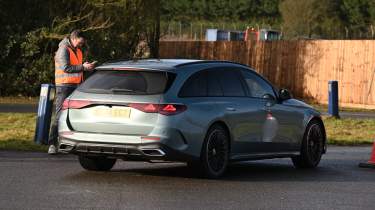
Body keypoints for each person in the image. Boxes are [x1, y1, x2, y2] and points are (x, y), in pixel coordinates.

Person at [48, 30, 95, 154]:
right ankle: (52, 144)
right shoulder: (63, 49)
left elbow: (77, 68)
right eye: (80, 42)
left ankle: (66, 142)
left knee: (73, 115)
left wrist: (87, 67)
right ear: (74, 38)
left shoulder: (78, 50)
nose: (82, 44)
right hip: (64, 86)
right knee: (59, 115)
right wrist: (82, 67)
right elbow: (66, 68)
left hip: (76, 86)